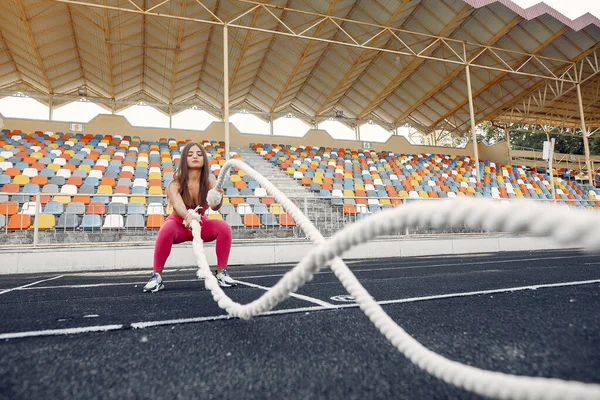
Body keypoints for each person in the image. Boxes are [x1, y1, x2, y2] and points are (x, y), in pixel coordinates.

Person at [143, 141, 235, 292]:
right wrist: (187, 216)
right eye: (190, 154)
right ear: (184, 159)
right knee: (165, 229)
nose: (195, 156)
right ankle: (156, 276)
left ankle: (221, 273)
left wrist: (218, 198)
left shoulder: (211, 182)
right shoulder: (175, 183)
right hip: (179, 224)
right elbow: (178, 204)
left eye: (199, 154)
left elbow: (214, 207)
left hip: (200, 225)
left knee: (224, 227)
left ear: (204, 159)